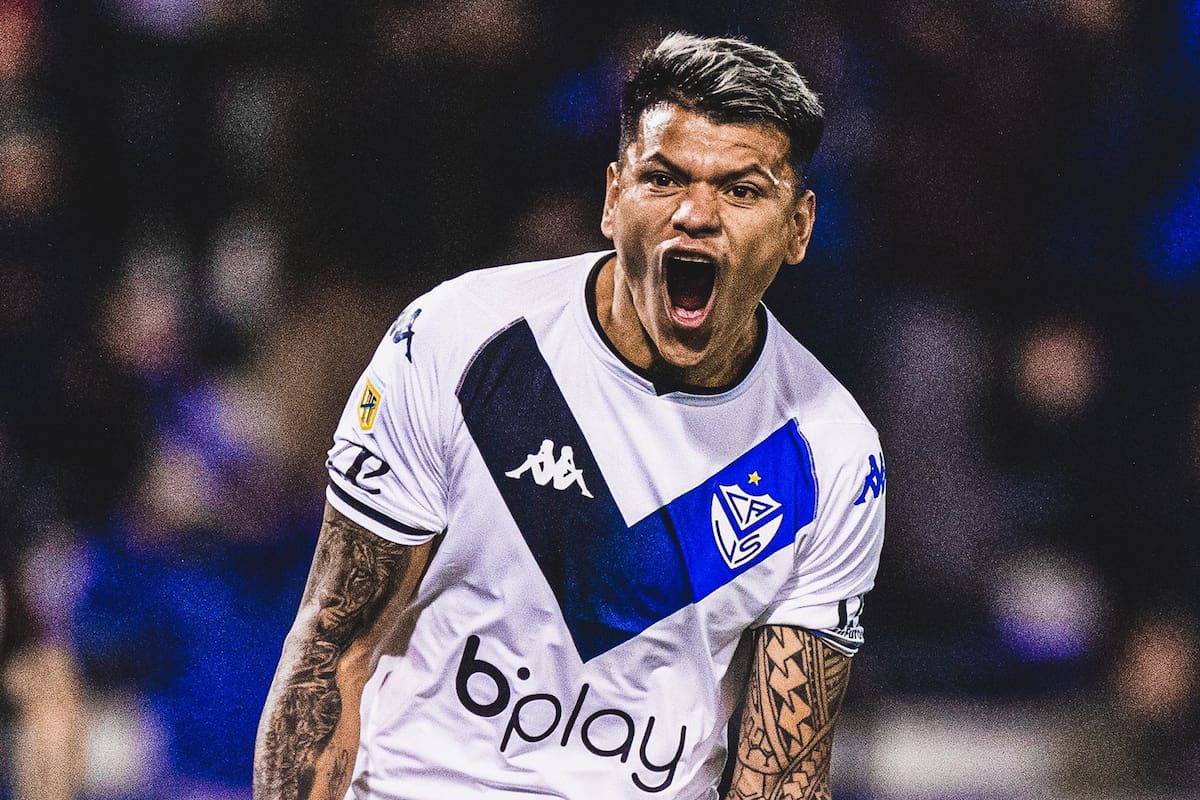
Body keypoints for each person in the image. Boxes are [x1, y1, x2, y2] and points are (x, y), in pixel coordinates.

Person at [255, 31, 885, 800]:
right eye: (664, 178)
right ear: (613, 197)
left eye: (742, 190)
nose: (696, 213)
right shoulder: (461, 340)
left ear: (800, 228)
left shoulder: (830, 453)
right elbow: (332, 650)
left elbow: (779, 782)